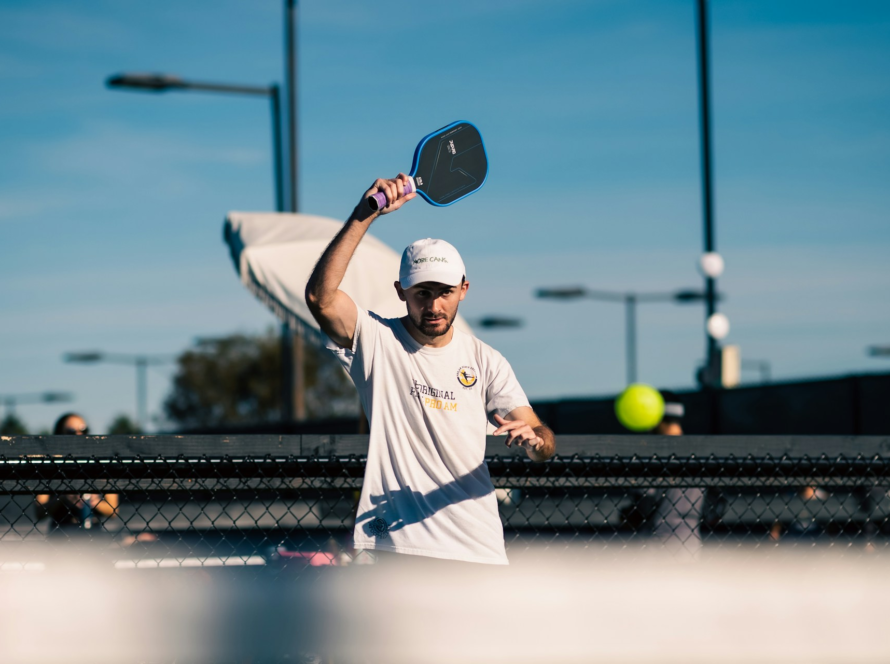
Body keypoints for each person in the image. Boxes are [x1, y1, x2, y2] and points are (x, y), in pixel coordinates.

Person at [305, 174, 555, 565]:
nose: (434, 305)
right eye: (422, 293)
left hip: (478, 551)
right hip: (394, 548)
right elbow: (320, 299)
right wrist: (364, 214)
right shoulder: (376, 339)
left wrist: (535, 439)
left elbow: (543, 444)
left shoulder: (486, 360)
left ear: (464, 289)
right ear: (400, 290)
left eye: (445, 292)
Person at [35, 413, 119, 531]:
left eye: (83, 430)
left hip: (93, 534)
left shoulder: (99, 465)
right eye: (71, 431)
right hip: (61, 534)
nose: (79, 435)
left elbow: (113, 510)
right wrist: (63, 498)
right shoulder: (50, 467)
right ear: (59, 435)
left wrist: (93, 501)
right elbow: (39, 512)